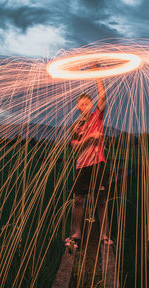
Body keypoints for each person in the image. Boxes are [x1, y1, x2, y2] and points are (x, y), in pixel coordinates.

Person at [65, 65, 112, 249]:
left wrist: (97, 74)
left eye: (87, 103)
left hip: (97, 163)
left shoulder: (97, 117)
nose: (84, 106)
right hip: (81, 166)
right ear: (77, 107)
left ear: (91, 106)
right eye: (81, 104)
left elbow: (102, 96)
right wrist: (89, 138)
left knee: (101, 199)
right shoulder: (75, 127)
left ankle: (103, 234)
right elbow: (75, 148)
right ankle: (77, 232)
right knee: (78, 200)